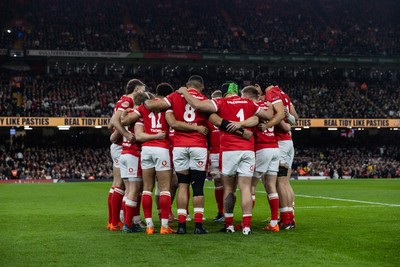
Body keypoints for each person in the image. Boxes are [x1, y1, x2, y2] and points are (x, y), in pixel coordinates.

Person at [177, 82, 274, 235]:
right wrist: (269, 105)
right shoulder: (249, 102)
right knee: (246, 188)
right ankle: (246, 227)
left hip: (229, 150)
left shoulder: (221, 102)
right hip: (248, 150)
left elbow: (197, 105)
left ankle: (228, 225)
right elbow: (268, 116)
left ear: (224, 93)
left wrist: (185, 92)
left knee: (228, 188)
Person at [144, 75, 210, 234]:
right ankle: (198, 226)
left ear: (187, 85)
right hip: (198, 145)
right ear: (201, 87)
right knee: (198, 187)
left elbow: (154, 107)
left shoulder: (175, 96)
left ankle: (181, 226)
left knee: (182, 185)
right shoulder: (204, 99)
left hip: (179, 146)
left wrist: (146, 100)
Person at [108, 79, 145, 231]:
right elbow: (114, 121)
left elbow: (111, 125)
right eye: (143, 90)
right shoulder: (127, 100)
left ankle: (118, 220)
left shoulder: (125, 101)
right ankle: (117, 221)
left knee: (122, 185)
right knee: (123, 185)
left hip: (121, 146)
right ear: (136, 90)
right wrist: (126, 135)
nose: (144, 92)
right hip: (123, 147)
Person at [264, 82, 296, 230]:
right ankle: (290, 217)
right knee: (285, 182)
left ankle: (285, 220)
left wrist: (274, 125)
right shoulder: (284, 95)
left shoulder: (271, 94)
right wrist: (288, 121)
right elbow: (295, 117)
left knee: (279, 183)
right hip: (289, 143)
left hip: (280, 142)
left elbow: (282, 120)